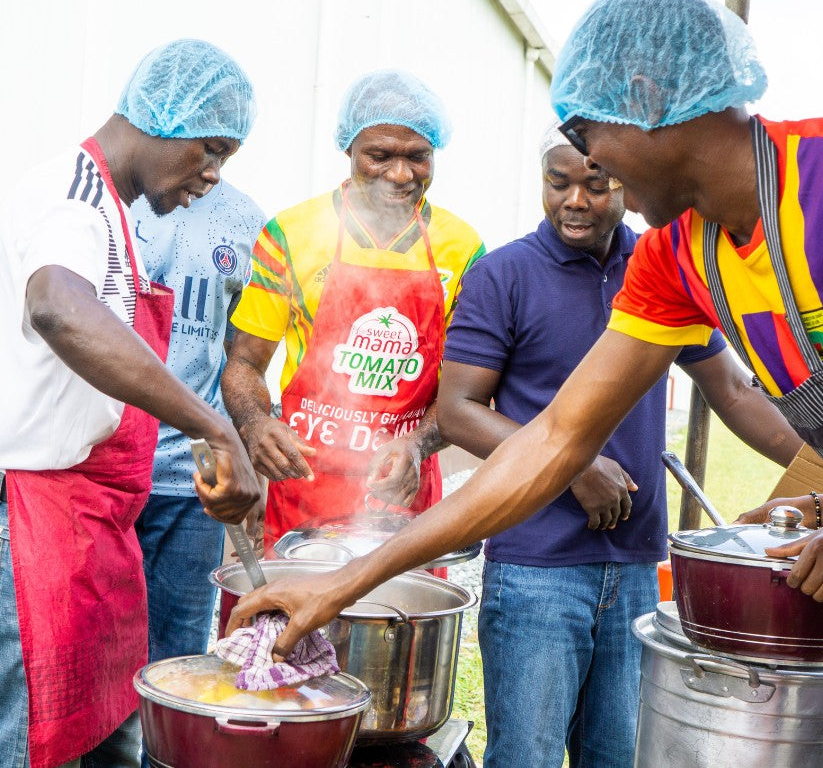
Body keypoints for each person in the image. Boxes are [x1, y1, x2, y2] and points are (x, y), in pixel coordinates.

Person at [229, 0, 823, 768]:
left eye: (589, 138)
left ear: (644, 96)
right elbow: (554, 440)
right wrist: (343, 583)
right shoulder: (680, 256)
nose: (591, 171)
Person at [437, 123, 804, 767]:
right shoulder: (504, 275)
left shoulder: (661, 265)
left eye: (596, 184)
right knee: (526, 756)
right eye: (557, 183)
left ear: (626, 184)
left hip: (635, 564)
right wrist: (575, 465)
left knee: (618, 755)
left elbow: (733, 391)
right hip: (536, 566)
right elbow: (459, 411)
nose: (575, 201)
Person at [0, 39, 260, 768]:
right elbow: (58, 307)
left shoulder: (115, 211)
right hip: (32, 525)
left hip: (92, 522)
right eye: (211, 150)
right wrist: (212, 428)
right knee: (30, 743)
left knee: (107, 733)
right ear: (165, 117)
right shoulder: (74, 197)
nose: (213, 176)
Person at [220, 70, 485, 552]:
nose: (400, 174)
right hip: (304, 483)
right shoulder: (291, 233)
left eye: (418, 157)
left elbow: (465, 390)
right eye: (379, 156)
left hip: (403, 489)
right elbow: (244, 364)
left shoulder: (462, 247)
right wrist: (255, 424)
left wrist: (417, 445)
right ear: (348, 148)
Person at [133, 179, 265, 678]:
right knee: (93, 647)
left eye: (225, 151)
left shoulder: (244, 219)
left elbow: (242, 359)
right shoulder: (110, 202)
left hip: (194, 479)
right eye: (206, 146)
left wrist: (249, 465)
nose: (211, 168)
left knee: (177, 656)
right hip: (106, 472)